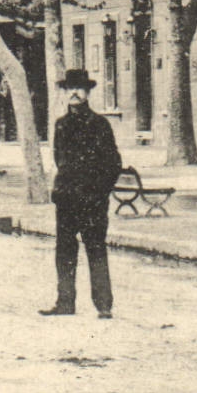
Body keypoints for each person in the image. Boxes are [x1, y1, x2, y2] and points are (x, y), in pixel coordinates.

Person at [41, 68, 122, 320]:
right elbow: (59, 159)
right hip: (67, 200)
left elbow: (113, 164)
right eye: (69, 88)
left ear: (87, 93)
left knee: (96, 249)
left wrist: (99, 193)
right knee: (64, 251)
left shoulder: (100, 124)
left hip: (92, 202)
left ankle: (104, 305)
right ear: (65, 93)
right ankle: (65, 302)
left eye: (79, 88)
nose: (74, 93)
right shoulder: (61, 125)